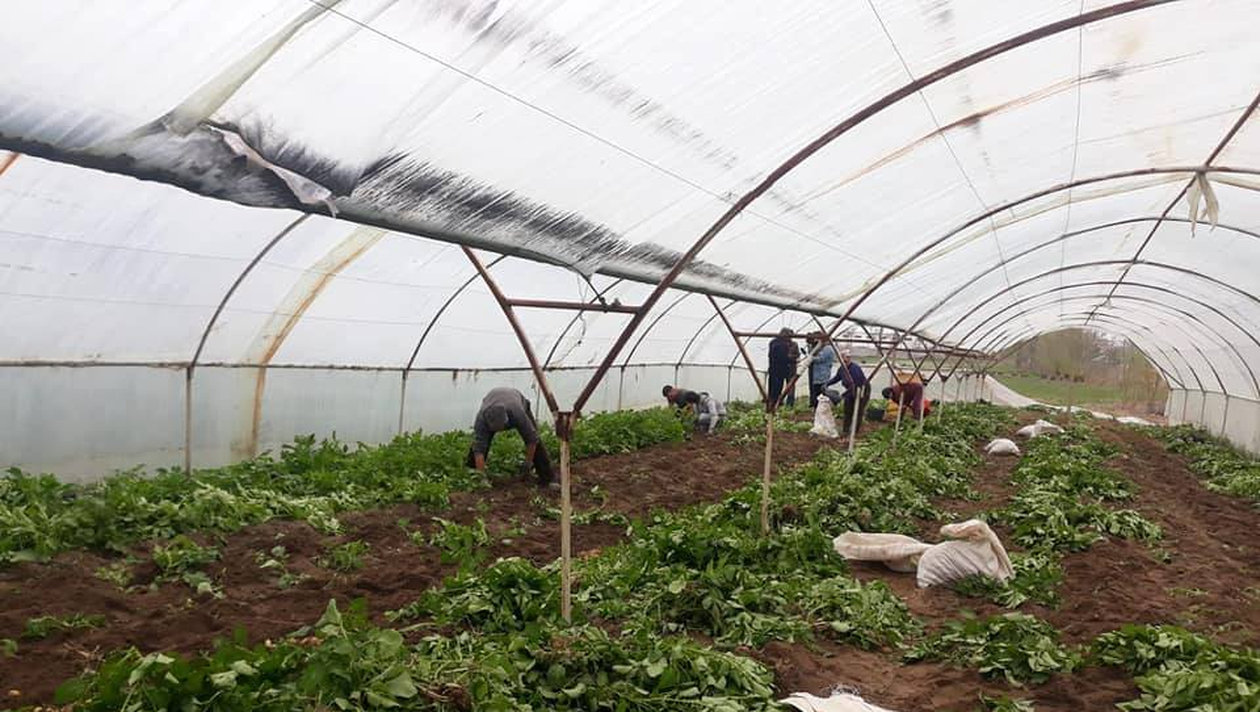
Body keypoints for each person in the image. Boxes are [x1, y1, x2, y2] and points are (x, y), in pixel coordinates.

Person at [466, 387, 554, 486]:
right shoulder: (481, 420)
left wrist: (527, 463)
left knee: (535, 437)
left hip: (517, 400)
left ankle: (547, 478)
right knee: (479, 444)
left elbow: (532, 439)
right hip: (493, 401)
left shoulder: (517, 413)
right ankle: (472, 474)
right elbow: (479, 450)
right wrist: (481, 477)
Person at [826, 349, 870, 433]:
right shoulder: (842, 368)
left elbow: (857, 384)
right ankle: (845, 430)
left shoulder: (855, 369)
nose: (846, 360)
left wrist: (843, 395)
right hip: (851, 390)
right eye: (844, 358)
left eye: (848, 358)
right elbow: (837, 378)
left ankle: (855, 431)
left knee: (858, 410)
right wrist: (827, 384)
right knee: (847, 409)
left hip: (862, 389)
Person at [767, 328, 798, 408]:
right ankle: (773, 405)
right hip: (778, 370)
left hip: (781, 369)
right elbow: (782, 357)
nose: (790, 338)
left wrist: (792, 358)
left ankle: (776, 404)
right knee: (776, 388)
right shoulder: (779, 344)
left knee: (779, 388)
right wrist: (791, 359)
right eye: (789, 336)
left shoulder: (775, 342)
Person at [805, 333, 836, 409]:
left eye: (819, 340)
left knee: (820, 393)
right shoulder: (825, 348)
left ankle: (820, 408)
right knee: (817, 392)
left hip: (822, 375)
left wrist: (810, 357)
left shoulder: (827, 349)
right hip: (819, 374)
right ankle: (817, 408)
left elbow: (820, 359)